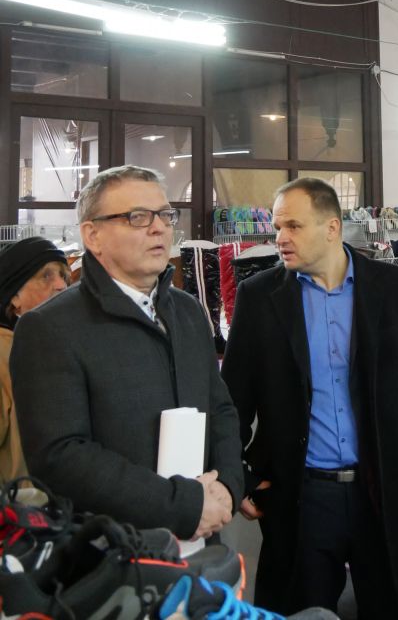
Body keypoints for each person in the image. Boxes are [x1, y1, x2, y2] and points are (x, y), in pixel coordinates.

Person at [221, 178, 398, 619]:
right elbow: (232, 397)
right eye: (277, 227)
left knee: (396, 606)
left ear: (332, 227)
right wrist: (238, 474)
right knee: (298, 610)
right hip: (301, 498)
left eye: (293, 226)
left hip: (383, 489)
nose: (280, 238)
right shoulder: (260, 296)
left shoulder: (397, 289)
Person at [10, 166, 244, 541]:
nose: (159, 228)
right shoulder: (50, 327)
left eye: (165, 215)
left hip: (203, 537)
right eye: (138, 217)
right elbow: (61, 457)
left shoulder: (188, 311)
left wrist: (229, 486)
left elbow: (220, 410)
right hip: (114, 551)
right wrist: (183, 505)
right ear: (93, 235)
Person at [0, 237, 70, 483]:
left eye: (64, 276)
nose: (61, 285)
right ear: (14, 296)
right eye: (45, 276)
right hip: (24, 500)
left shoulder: (59, 345)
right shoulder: (4, 354)